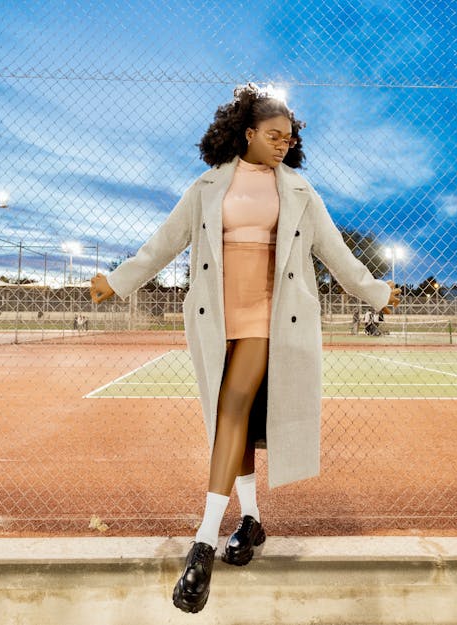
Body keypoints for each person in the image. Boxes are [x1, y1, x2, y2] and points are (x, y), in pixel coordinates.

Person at [90, 83, 400, 614]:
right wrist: (117, 281)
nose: (283, 143)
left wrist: (375, 291)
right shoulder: (208, 186)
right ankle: (251, 520)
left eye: (290, 137)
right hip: (216, 318)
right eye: (273, 135)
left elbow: (334, 252)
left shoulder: (299, 191)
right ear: (248, 133)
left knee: (230, 409)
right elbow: (164, 242)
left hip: (269, 316)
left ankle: (203, 542)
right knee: (237, 423)